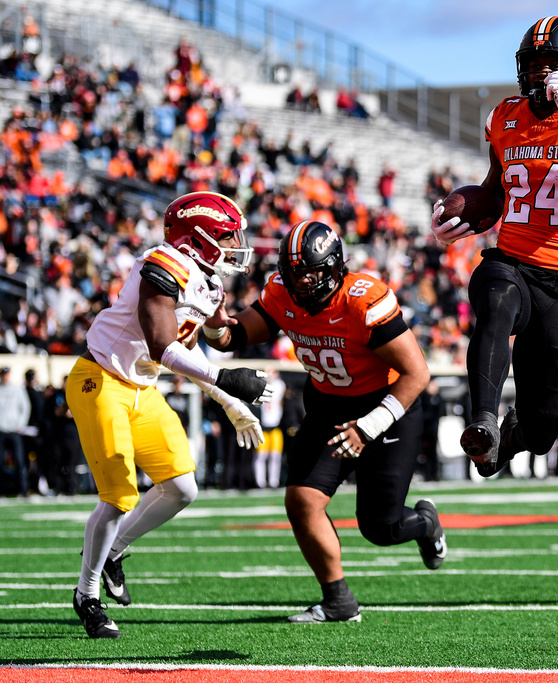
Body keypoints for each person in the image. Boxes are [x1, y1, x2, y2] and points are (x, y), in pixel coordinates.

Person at [202, 220, 445, 624]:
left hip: (386, 409)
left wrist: (369, 427)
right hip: (330, 406)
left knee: (380, 527)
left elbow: (417, 374)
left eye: (310, 272)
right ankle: (338, 600)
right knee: (301, 500)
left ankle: (424, 523)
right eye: (293, 272)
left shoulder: (363, 301)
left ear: (333, 267)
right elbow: (229, 339)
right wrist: (213, 317)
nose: (300, 282)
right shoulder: (282, 294)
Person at [430, 16, 558, 477]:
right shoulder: (505, 116)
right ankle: (483, 420)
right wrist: (465, 213)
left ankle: (504, 442)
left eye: (554, 64)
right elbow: (496, 189)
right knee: (496, 296)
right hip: (514, 261)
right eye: (535, 63)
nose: (543, 73)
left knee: (543, 431)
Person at [67, 191, 272, 639]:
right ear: (197, 238)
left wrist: (229, 403)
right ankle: (87, 595)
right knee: (119, 497)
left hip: (141, 387)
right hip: (100, 380)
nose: (235, 244)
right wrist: (226, 381)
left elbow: (194, 342)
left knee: (182, 488)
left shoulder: (207, 280)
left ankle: (115, 552)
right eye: (226, 236)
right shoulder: (160, 265)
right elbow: (163, 345)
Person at [0, 365, 31, 496]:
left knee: (19, 460)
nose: (5, 376)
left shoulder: (18, 389)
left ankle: (23, 490)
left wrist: (21, 424)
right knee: (0, 462)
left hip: (14, 430)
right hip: (1, 431)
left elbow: (25, 407)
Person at [254, 368, 287, 489]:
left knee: (275, 456)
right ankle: (260, 482)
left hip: (275, 427)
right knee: (261, 456)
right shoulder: (260, 384)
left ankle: (274, 482)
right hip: (262, 427)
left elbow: (278, 387)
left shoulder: (279, 385)